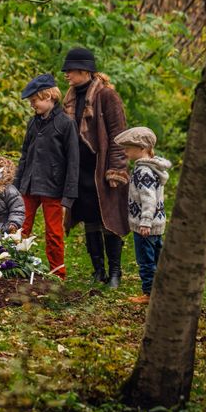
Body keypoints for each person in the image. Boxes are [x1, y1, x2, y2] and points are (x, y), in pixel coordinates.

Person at [61, 47, 130, 288]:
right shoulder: (70, 97)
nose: (66, 75)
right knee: (90, 218)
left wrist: (117, 169)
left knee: (108, 219)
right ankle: (98, 270)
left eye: (70, 70)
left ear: (84, 70)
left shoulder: (107, 96)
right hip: (80, 170)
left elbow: (119, 135)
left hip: (102, 169)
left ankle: (115, 273)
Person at [14, 73, 79, 280]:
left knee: (53, 233)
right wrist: (16, 185)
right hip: (29, 186)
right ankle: (13, 266)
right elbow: (25, 155)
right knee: (19, 227)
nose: (32, 105)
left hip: (53, 188)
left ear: (49, 96)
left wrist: (68, 196)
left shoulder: (66, 124)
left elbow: (73, 162)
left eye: (35, 101)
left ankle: (57, 273)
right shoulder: (33, 124)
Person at [113, 127, 171, 304]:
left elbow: (149, 198)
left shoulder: (143, 171)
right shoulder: (153, 167)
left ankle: (150, 293)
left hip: (146, 225)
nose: (125, 152)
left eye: (128, 148)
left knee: (146, 260)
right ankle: (163, 290)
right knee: (157, 257)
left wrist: (145, 222)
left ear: (142, 148)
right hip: (157, 223)